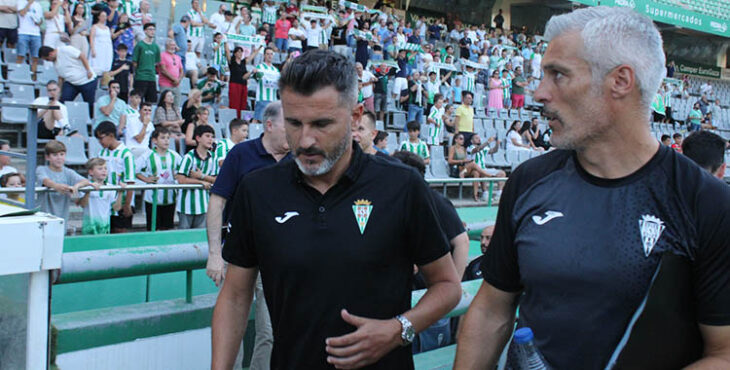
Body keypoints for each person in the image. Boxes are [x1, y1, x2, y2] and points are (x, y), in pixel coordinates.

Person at [454, 7, 730, 369]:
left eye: (558, 75)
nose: (539, 92)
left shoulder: (705, 202)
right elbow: (492, 308)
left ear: (620, 81)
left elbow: (723, 352)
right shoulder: (529, 181)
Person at [212, 49, 461, 369]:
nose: (305, 140)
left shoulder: (402, 186)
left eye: (321, 124)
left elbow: (448, 286)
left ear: (356, 116)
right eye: (294, 123)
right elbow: (234, 296)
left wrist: (398, 330)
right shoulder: (257, 191)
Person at [206, 100, 289, 369]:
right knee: (232, 328)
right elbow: (217, 202)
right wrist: (215, 254)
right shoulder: (241, 154)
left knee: (271, 331)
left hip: (277, 258)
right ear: (269, 125)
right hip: (238, 254)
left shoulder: (296, 160)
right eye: (290, 126)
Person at [392, 149, 469, 352]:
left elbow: (462, 241)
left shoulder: (434, 201)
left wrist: (453, 289)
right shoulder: (398, 202)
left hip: (431, 300)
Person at [136, 128, 182, 231]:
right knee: (153, 228)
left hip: (170, 198)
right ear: (154, 140)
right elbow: (134, 170)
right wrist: (145, 179)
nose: (166, 140)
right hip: (152, 200)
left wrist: (178, 176)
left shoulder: (174, 155)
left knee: (168, 229)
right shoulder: (148, 155)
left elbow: (184, 170)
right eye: (162, 138)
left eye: (168, 138)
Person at [36, 140, 92, 224]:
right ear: (47, 157)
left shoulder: (68, 172)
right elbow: (45, 180)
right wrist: (56, 186)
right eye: (55, 155)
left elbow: (85, 181)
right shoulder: (41, 169)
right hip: (43, 217)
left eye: (61, 154)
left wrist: (76, 186)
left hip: (62, 218)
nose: (59, 158)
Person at [94, 121, 136, 234]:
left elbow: (131, 182)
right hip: (106, 202)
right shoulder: (101, 153)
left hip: (122, 201)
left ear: (111, 135)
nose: (100, 142)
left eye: (101, 138)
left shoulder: (126, 154)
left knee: (120, 232)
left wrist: (127, 205)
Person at [175, 124, 218, 229]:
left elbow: (217, 180)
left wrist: (201, 176)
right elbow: (180, 179)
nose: (210, 139)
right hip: (186, 206)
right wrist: (200, 182)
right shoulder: (188, 157)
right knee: (184, 239)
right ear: (198, 138)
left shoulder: (213, 158)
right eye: (207, 136)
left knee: (199, 240)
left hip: (204, 206)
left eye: (212, 137)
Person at [39, 45, 96, 114]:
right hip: (71, 83)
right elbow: (60, 77)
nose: (48, 61)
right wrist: (59, 91)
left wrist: (88, 70)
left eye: (47, 59)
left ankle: (90, 121)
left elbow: (82, 55)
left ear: (51, 54)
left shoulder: (65, 49)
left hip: (86, 80)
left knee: (89, 105)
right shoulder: (55, 63)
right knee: (63, 102)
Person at [78, 158, 123, 235]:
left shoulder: (110, 187)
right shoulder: (85, 186)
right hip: (89, 226)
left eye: (105, 168)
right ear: (91, 172)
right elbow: (82, 204)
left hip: (105, 226)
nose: (104, 170)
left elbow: (116, 208)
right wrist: (88, 191)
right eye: (100, 168)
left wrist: (120, 193)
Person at [132, 23, 160, 102]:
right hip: (141, 77)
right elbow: (135, 62)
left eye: (154, 29)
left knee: (151, 101)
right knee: (138, 101)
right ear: (145, 31)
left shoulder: (156, 47)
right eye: (150, 29)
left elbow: (156, 62)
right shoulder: (140, 45)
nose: (152, 31)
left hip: (151, 77)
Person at [252, 47, 280, 123]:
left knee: (271, 121)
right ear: (264, 55)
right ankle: (252, 133)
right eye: (268, 54)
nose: (270, 56)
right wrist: (256, 73)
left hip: (273, 99)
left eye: (271, 54)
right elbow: (256, 77)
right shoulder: (260, 67)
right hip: (262, 98)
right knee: (258, 118)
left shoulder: (275, 70)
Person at [17, 0, 43, 76]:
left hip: (36, 33)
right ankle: (18, 74)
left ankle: (34, 78)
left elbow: (40, 20)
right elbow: (21, 13)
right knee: (21, 55)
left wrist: (38, 21)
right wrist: (29, 3)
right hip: (23, 32)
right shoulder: (21, 2)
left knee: (35, 57)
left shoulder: (38, 5)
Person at [158, 38, 184, 107]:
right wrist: (174, 79)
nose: (173, 47)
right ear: (167, 46)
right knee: (164, 105)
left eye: (174, 45)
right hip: (165, 84)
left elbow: (181, 70)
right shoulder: (162, 55)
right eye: (171, 45)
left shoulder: (178, 57)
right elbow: (163, 70)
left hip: (176, 85)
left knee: (176, 105)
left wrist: (179, 80)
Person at [89, 9, 113, 75]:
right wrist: (93, 49)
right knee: (96, 66)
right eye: (102, 16)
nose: (104, 18)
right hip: (98, 48)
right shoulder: (94, 27)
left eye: (105, 16)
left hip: (106, 49)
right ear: (99, 17)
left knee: (105, 67)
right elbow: (91, 38)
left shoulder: (107, 28)